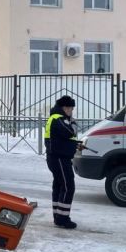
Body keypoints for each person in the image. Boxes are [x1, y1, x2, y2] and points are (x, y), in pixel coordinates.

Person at [44, 95, 80, 229]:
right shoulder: (58, 119)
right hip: (59, 158)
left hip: (57, 157)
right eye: (70, 109)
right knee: (68, 186)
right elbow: (70, 131)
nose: (71, 111)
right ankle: (63, 218)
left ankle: (58, 216)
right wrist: (74, 123)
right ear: (64, 107)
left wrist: (73, 144)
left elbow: (63, 138)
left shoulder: (57, 118)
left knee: (59, 186)